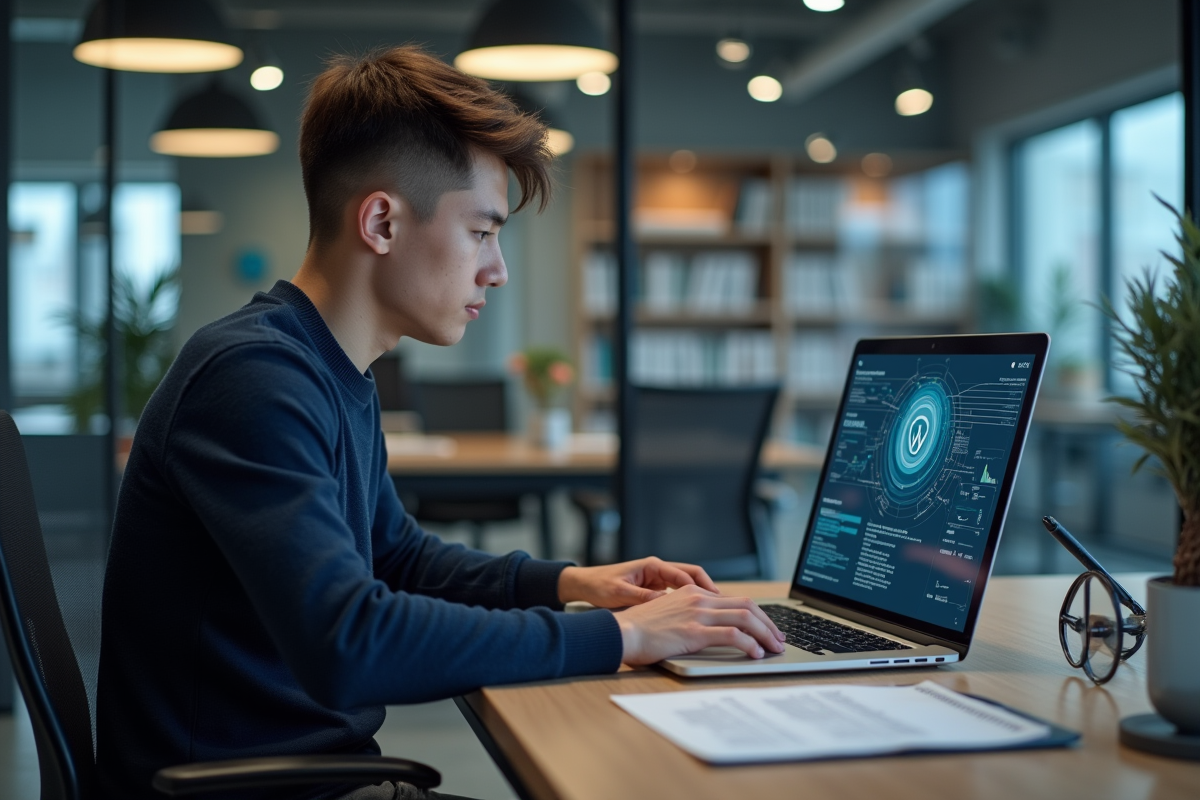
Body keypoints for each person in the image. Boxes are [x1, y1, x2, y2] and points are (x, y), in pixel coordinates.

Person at [95, 45, 784, 800]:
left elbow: (397, 559)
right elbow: (348, 642)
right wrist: (622, 635)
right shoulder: (252, 377)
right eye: (482, 232)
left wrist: (572, 583)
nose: (498, 270)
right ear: (382, 222)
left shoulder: (330, 371)